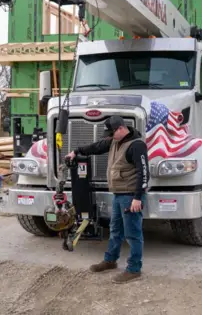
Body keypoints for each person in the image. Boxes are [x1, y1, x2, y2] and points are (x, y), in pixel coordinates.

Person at [65, 115, 149, 283]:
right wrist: (76, 151)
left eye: (111, 133)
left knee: (133, 234)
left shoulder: (137, 145)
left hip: (131, 196)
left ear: (120, 129)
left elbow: (144, 173)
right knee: (115, 230)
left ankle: (134, 269)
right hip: (118, 194)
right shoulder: (114, 142)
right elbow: (96, 147)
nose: (108, 137)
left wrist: (137, 198)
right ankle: (110, 261)